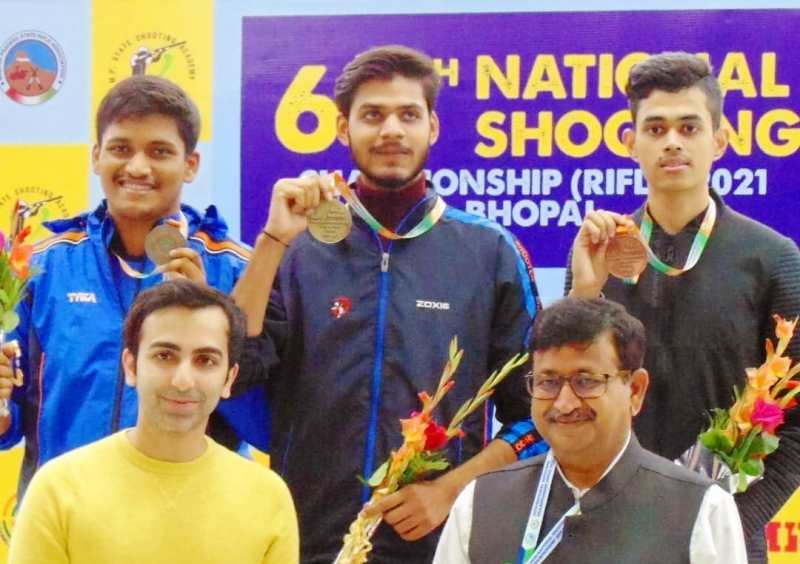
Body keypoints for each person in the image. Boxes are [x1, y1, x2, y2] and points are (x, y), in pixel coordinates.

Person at [233, 44, 546, 563]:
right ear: (342, 128)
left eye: (408, 115)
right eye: (372, 115)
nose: (391, 131)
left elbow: (537, 416)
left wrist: (450, 491)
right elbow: (232, 373)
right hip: (306, 540)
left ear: (433, 127)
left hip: (439, 543)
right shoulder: (297, 248)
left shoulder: (490, 251)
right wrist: (272, 240)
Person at [565, 51, 800, 560]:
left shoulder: (774, 259)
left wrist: (727, 521)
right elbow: (566, 394)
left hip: (725, 535)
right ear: (631, 144)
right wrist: (585, 293)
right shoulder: (600, 254)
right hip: (608, 529)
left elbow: (794, 417)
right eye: (655, 128)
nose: (672, 141)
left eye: (689, 127)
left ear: (720, 139)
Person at [0, 75, 267, 500]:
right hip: (68, 514)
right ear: (95, 157)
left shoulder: (236, 270)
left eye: (159, 152)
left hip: (191, 520)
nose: (138, 167)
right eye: (121, 149)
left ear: (191, 164)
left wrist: (209, 327)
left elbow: (266, 426)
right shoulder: (42, 267)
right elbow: (8, 422)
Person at [435, 298, 747, 563]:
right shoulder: (481, 502)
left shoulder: (701, 510)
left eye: (586, 381)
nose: (565, 403)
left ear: (635, 390)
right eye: (548, 382)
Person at [8, 280, 298, 564]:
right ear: (131, 366)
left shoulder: (267, 498)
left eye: (205, 360)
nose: (183, 381)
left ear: (229, 378)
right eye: (164, 356)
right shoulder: (58, 489)